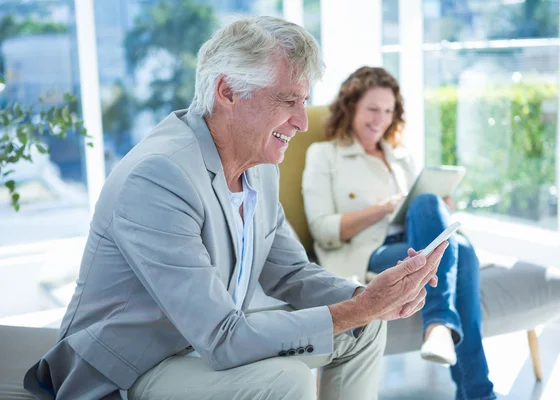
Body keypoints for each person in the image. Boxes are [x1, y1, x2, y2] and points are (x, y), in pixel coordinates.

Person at [23, 18, 448, 400]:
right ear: (228, 91)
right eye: (288, 101)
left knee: (365, 328)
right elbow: (222, 336)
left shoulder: (258, 168)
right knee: (286, 379)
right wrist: (359, 307)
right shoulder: (158, 177)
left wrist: (370, 300)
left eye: (304, 101)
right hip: (130, 368)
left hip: (201, 347)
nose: (302, 122)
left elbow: (291, 273)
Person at [302, 66, 496, 400]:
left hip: (413, 243)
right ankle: (472, 381)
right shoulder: (324, 155)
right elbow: (322, 229)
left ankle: (440, 330)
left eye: (388, 111)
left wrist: (440, 209)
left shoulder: (400, 157)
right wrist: (384, 207)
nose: (380, 119)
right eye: (372, 109)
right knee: (459, 248)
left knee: (431, 211)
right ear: (350, 107)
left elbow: (421, 215)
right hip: (369, 252)